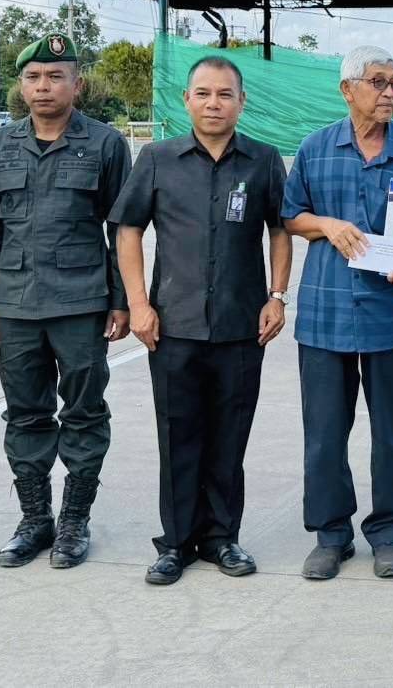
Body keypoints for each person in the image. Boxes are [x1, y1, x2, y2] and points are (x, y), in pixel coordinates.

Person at [111, 56, 291, 586]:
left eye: (225, 94)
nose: (215, 104)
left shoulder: (262, 161)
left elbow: (280, 229)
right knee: (177, 435)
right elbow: (128, 230)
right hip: (173, 326)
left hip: (242, 326)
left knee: (230, 437)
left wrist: (277, 295)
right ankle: (176, 542)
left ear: (242, 102)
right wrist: (139, 304)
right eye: (204, 94)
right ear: (186, 100)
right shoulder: (157, 159)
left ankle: (222, 538)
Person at [0, 33, 131, 569]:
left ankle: (74, 521)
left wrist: (122, 300)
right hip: (15, 304)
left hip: (82, 304)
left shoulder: (105, 144)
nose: (43, 86)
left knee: (84, 412)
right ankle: (35, 520)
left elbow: (121, 231)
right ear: (21, 86)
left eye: (56, 76)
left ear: (77, 85)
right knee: (25, 414)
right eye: (33, 77)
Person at [282, 45, 393, 581]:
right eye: (378, 82)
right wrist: (326, 225)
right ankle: (331, 535)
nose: (390, 93)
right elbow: (291, 216)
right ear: (347, 89)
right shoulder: (315, 149)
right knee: (325, 433)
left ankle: (389, 533)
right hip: (324, 314)